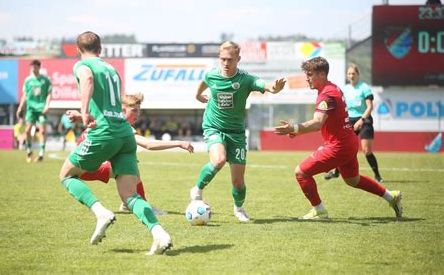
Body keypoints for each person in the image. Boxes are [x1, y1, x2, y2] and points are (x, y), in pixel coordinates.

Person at [58, 31, 171, 255]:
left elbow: (88, 79)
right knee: (130, 195)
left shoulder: (82, 65)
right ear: (100, 49)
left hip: (105, 133)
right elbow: (109, 108)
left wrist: (83, 111)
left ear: (78, 50)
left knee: (66, 175)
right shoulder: (112, 69)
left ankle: (101, 212)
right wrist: (84, 116)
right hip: (124, 134)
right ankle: (159, 234)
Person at [273, 56, 402, 220]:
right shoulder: (333, 88)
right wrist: (298, 131)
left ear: (321, 74)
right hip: (348, 143)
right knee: (353, 180)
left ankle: (319, 210)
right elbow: (324, 122)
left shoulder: (327, 94)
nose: (307, 78)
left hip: (338, 146)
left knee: (301, 173)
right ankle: (391, 196)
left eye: (310, 74)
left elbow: (318, 123)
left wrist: (295, 128)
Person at [189, 41, 286, 222]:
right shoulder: (212, 76)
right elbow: (203, 84)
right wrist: (197, 96)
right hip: (214, 127)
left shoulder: (245, 80)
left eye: (230, 60)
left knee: (238, 182)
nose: (226, 63)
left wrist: (274, 88)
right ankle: (197, 190)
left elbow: (265, 85)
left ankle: (238, 208)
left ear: (238, 59)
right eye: (223, 59)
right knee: (219, 160)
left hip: (237, 133)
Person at [67, 92, 194, 215]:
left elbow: (89, 118)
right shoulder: (122, 126)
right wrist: (179, 143)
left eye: (139, 111)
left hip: (77, 164)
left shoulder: (107, 117)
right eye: (134, 110)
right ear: (122, 110)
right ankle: (140, 204)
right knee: (131, 169)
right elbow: (148, 144)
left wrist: (78, 116)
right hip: (85, 166)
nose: (138, 114)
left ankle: (127, 202)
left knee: (129, 163)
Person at [324, 64, 383, 182]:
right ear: (347, 75)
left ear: (358, 75)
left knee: (366, 150)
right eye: (349, 74)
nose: (351, 76)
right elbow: (341, 107)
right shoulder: (344, 89)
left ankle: (377, 176)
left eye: (353, 74)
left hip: (364, 120)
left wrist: (361, 120)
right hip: (349, 121)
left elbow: (369, 107)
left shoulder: (364, 88)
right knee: (343, 148)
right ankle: (336, 172)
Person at [16, 59, 52, 162]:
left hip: (41, 109)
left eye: (35, 67)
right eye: (32, 67)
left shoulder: (45, 80)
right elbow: (25, 95)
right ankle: (28, 150)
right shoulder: (27, 80)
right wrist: (20, 107)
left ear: (39, 67)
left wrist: (47, 105)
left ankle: (41, 154)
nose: (33, 69)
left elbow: (49, 93)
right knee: (27, 131)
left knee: (42, 131)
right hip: (31, 109)